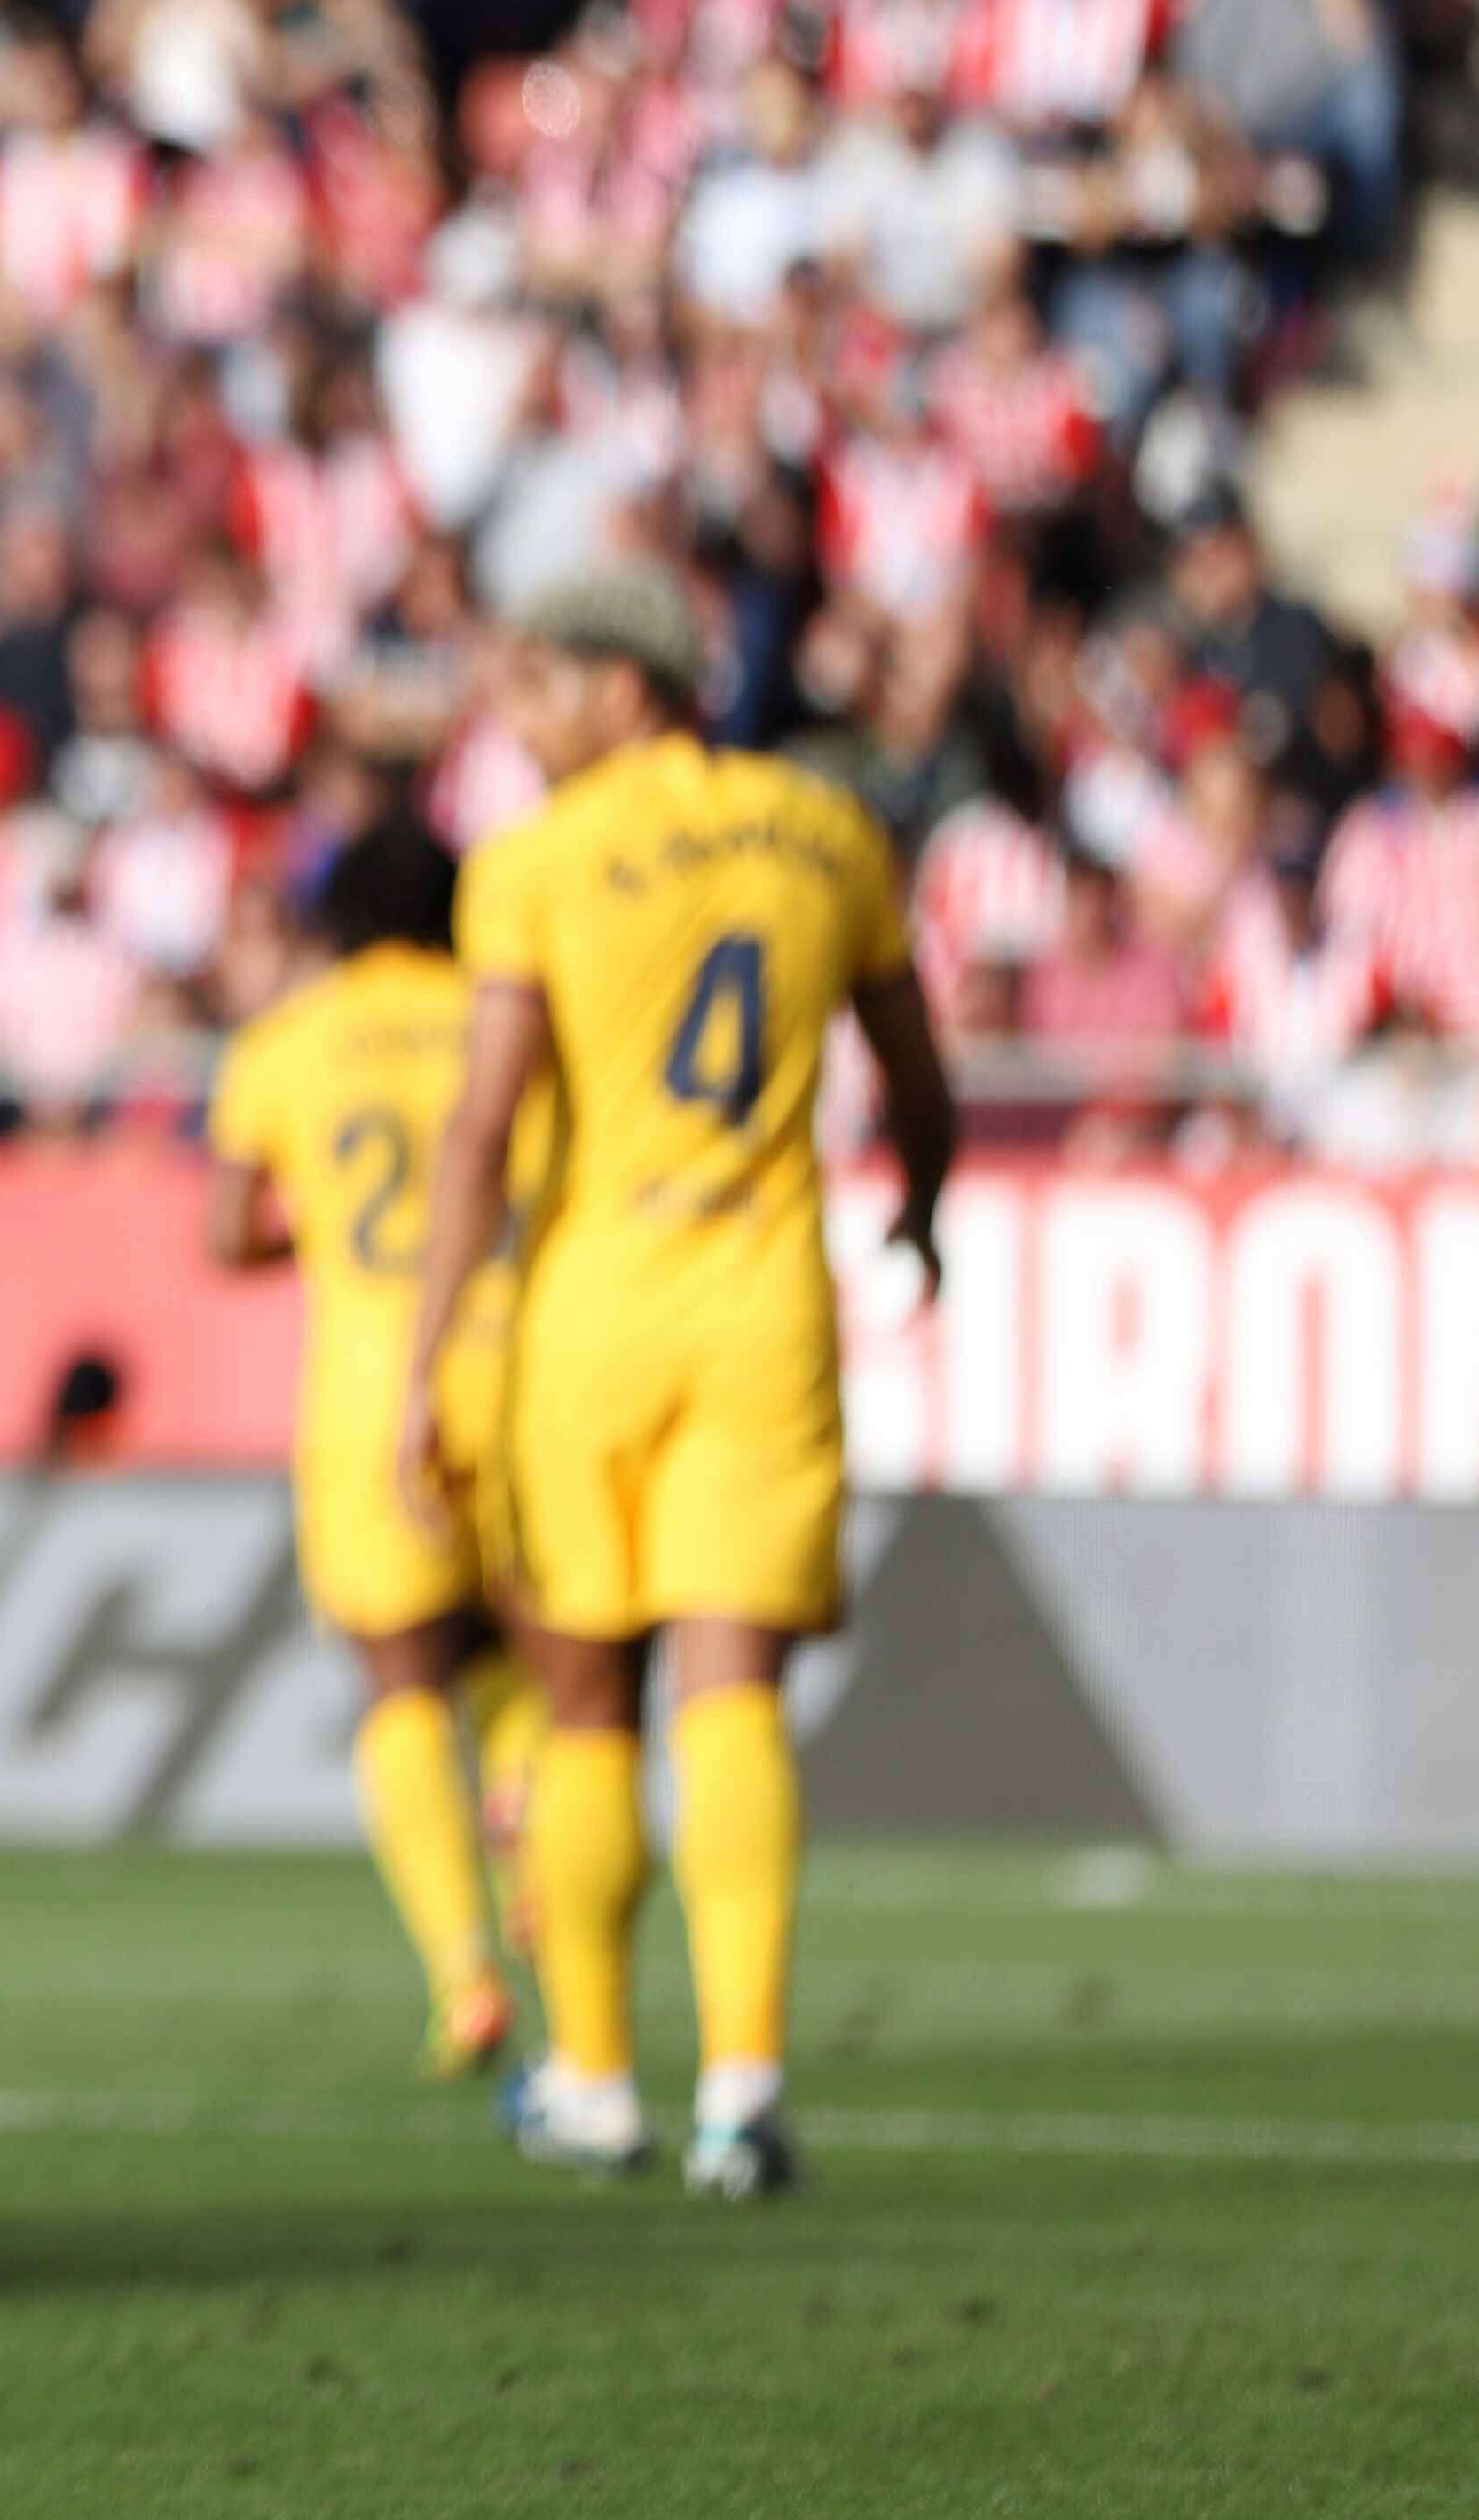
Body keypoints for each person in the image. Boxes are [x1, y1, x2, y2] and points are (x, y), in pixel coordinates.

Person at [400, 565, 956, 2197]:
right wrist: (921, 1209)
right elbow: (917, 1075)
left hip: (591, 1315)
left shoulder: (537, 861)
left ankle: (589, 2077)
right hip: (762, 1305)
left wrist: (429, 1354)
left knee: (582, 1703)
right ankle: (743, 2086)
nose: (517, 716)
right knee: (732, 1695)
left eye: (541, 683)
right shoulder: (829, 831)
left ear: (625, 686)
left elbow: (485, 1125)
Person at [203, 811, 548, 2079]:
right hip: (510, 1360)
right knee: (527, 1661)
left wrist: (331, 1239)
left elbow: (226, 1232)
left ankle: (464, 1976)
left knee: (401, 1680)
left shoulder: (287, 1041)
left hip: (369, 1379)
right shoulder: (499, 1013)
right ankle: (536, 1841)